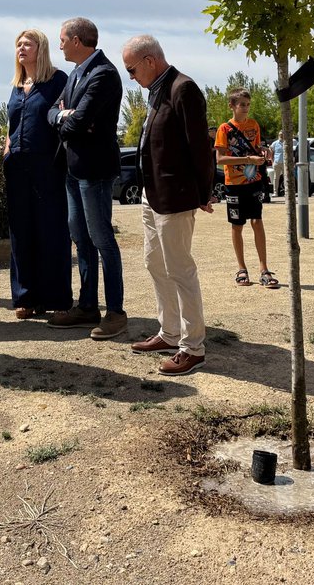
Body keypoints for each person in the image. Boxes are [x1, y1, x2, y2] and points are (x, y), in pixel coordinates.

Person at [122, 35, 214, 376]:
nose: (131, 77)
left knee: (180, 269)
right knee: (154, 263)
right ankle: (170, 332)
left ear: (149, 61)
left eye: (131, 69)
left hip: (175, 196)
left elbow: (200, 147)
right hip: (152, 194)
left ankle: (193, 348)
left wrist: (204, 192)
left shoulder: (183, 88)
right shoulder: (157, 90)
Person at [46, 17, 127, 340]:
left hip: (94, 171)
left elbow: (79, 123)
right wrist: (66, 115)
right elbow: (54, 112)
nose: (60, 44)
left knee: (101, 239)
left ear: (78, 40)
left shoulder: (104, 74)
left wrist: (69, 117)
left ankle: (116, 312)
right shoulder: (77, 74)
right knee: (81, 239)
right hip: (72, 168)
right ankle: (88, 306)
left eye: (63, 39)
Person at [5, 29, 72, 319]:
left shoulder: (58, 80)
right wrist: (6, 150)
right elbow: (12, 124)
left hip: (48, 167)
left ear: (40, 49)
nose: (21, 48)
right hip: (17, 167)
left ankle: (54, 297)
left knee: (51, 230)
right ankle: (25, 297)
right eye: (18, 44)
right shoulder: (17, 85)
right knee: (21, 231)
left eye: (27, 44)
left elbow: (67, 119)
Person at [214, 89, 278, 289]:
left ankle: (264, 269)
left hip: (254, 181)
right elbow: (220, 159)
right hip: (234, 183)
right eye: (242, 105)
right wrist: (248, 159)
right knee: (237, 225)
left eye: (248, 105)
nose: (246, 108)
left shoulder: (253, 125)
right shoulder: (224, 129)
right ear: (231, 106)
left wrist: (264, 151)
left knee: (257, 221)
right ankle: (241, 268)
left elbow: (256, 147)